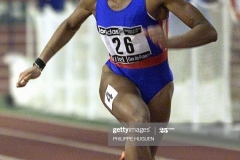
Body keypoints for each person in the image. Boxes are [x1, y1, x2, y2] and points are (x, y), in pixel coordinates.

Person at [16, 0, 217, 159]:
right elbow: (69, 25)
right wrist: (39, 64)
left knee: (144, 152)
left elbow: (208, 30)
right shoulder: (93, 2)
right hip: (116, 77)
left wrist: (169, 42)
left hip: (159, 84)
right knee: (138, 119)